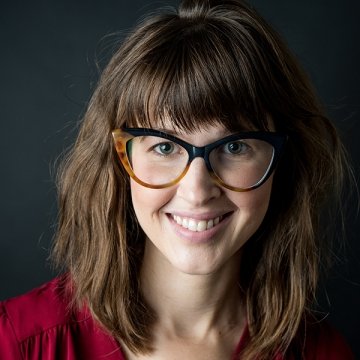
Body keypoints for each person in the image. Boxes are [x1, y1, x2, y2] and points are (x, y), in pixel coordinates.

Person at [0, 0, 355, 359]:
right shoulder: (16, 343)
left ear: (283, 162)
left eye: (234, 146)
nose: (197, 191)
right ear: (119, 160)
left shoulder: (324, 353)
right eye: (165, 147)